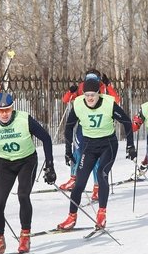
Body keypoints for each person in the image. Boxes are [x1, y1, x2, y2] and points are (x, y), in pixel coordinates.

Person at [0, 92, 56, 254]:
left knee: (23, 195)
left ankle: (25, 237)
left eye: (8, 109)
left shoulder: (23, 119)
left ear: (13, 108)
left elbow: (46, 138)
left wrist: (50, 166)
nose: (4, 114)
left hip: (27, 161)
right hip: (6, 164)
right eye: (0, 110)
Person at [56, 78, 136, 230]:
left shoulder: (108, 103)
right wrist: (68, 150)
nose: (90, 98)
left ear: (99, 93)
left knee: (101, 174)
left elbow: (126, 122)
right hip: (89, 146)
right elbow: (69, 127)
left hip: (108, 145)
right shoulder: (78, 104)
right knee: (79, 182)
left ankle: (101, 214)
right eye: (87, 95)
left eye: (93, 94)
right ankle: (71, 217)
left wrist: (130, 145)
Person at [58, 69, 121, 200]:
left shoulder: (102, 88)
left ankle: (97, 187)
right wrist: (71, 91)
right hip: (84, 127)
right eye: (88, 78)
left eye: (94, 78)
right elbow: (65, 100)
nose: (91, 81)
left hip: (100, 129)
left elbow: (116, 100)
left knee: (97, 158)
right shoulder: (82, 87)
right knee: (78, 152)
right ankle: (73, 178)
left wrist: (108, 86)